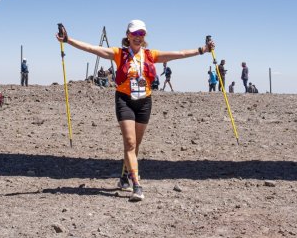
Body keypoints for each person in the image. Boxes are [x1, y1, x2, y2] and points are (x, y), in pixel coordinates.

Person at [56, 19, 214, 202]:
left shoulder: (150, 55)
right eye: (135, 34)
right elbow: (92, 49)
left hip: (144, 102)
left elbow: (179, 54)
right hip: (125, 101)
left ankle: (124, 175)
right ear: (128, 35)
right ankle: (137, 186)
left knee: (135, 146)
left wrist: (203, 50)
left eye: (141, 34)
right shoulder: (118, 53)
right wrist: (68, 40)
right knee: (130, 143)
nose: (138, 37)